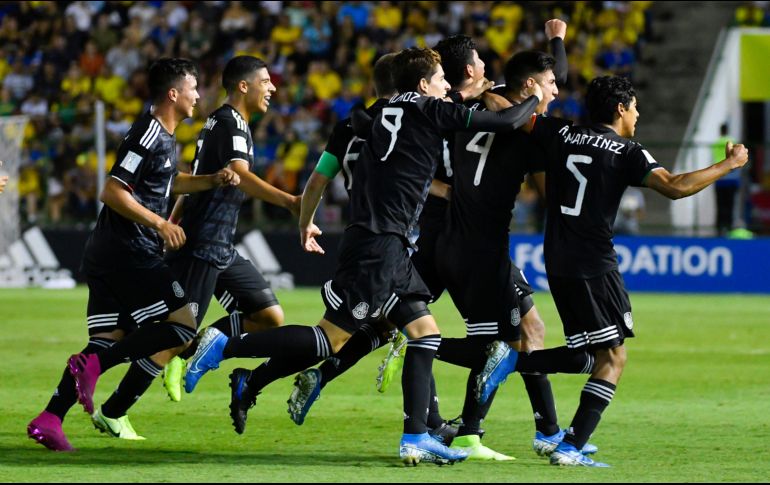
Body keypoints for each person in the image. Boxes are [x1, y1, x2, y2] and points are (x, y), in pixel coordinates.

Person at [184, 47, 542, 465]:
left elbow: (319, 177)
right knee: (328, 340)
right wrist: (532, 96)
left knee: (425, 333)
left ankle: (417, 436)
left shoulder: (361, 119)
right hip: (381, 244)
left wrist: (305, 220)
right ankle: (227, 344)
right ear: (423, 85)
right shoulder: (428, 112)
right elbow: (507, 121)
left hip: (383, 241)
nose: (447, 86)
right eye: (441, 78)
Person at [476, 75, 749, 467]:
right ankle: (568, 445)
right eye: (634, 107)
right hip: (593, 263)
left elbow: (507, 112)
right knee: (613, 359)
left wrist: (482, 90)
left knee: (588, 354)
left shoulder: (560, 133)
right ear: (620, 109)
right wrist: (730, 163)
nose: (637, 114)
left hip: (556, 259)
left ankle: (526, 380)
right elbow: (674, 186)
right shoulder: (626, 151)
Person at [27, 58, 240, 451]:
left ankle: (49, 419)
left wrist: (210, 181)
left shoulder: (163, 136)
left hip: (109, 251)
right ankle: (94, 369)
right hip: (129, 250)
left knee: (109, 338)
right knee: (182, 325)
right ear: (173, 94)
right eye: (193, 88)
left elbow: (165, 181)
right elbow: (112, 190)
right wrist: (160, 225)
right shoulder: (148, 133)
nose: (198, 96)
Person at [87, 55, 300, 438]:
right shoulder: (230, 122)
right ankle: (113, 409)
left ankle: (202, 347)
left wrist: (174, 217)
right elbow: (239, 174)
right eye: (266, 81)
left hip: (220, 244)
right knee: (174, 336)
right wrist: (290, 202)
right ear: (244, 86)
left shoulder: (223, 123)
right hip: (203, 244)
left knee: (269, 316)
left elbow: (193, 178)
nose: (273, 88)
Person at [712, 123, 741, 236]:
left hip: (719, 177)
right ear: (728, 130)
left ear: (720, 131)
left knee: (720, 204)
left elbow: (715, 157)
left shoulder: (715, 143)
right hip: (732, 177)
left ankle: (719, 228)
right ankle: (729, 227)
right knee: (730, 204)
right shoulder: (733, 141)